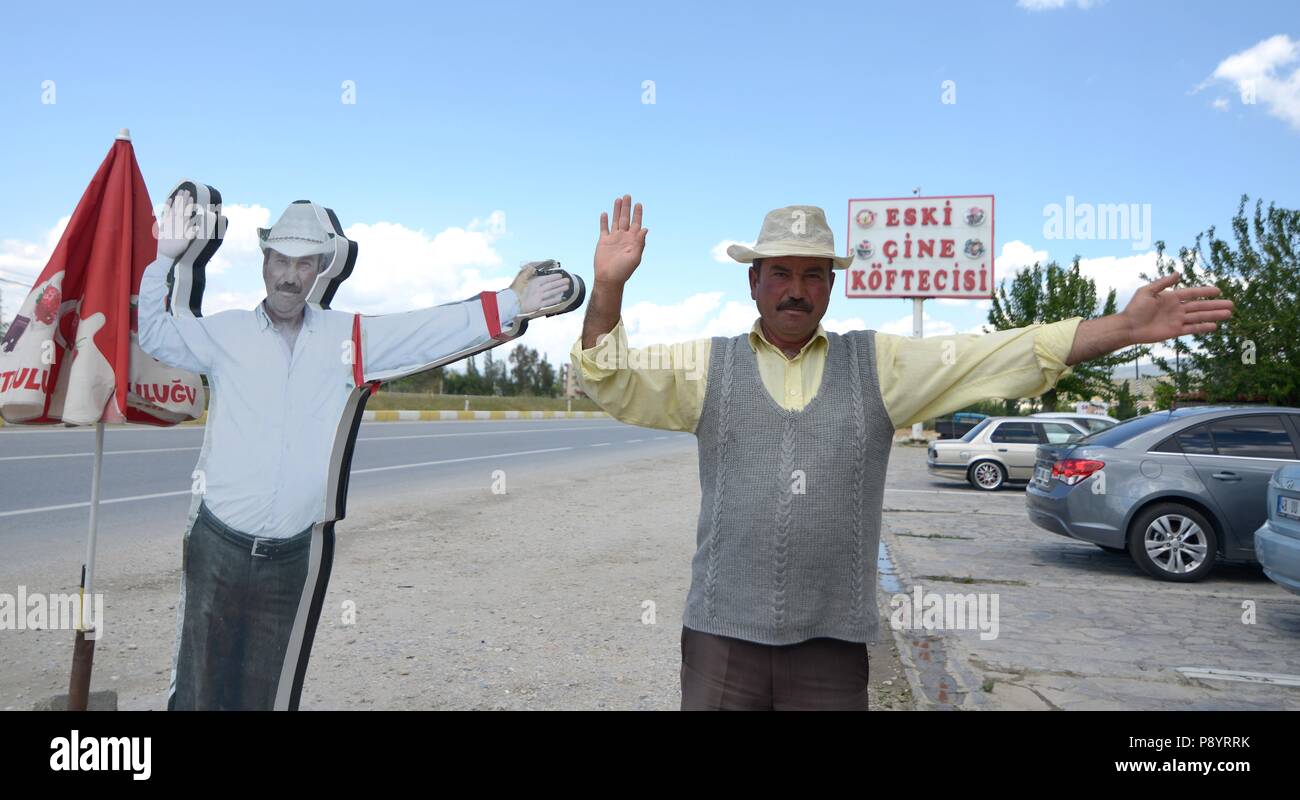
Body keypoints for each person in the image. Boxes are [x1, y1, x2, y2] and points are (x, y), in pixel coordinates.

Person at [570, 195, 1234, 710]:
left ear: (831, 285)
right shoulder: (707, 369)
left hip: (830, 648)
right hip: (721, 638)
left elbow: (995, 355)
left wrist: (1121, 328)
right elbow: (610, 377)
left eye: (812, 273)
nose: (795, 288)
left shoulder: (879, 364)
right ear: (754, 283)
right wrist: (609, 288)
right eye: (780, 273)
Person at [140, 190, 575, 709]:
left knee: (264, 696)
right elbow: (156, 335)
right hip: (218, 548)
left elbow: (425, 331)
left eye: (304, 264)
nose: (288, 275)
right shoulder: (226, 333)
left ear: (320, 268)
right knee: (197, 693)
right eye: (280, 259)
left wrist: (511, 303)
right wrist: (162, 259)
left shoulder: (346, 339)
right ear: (264, 262)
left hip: (290, 559)